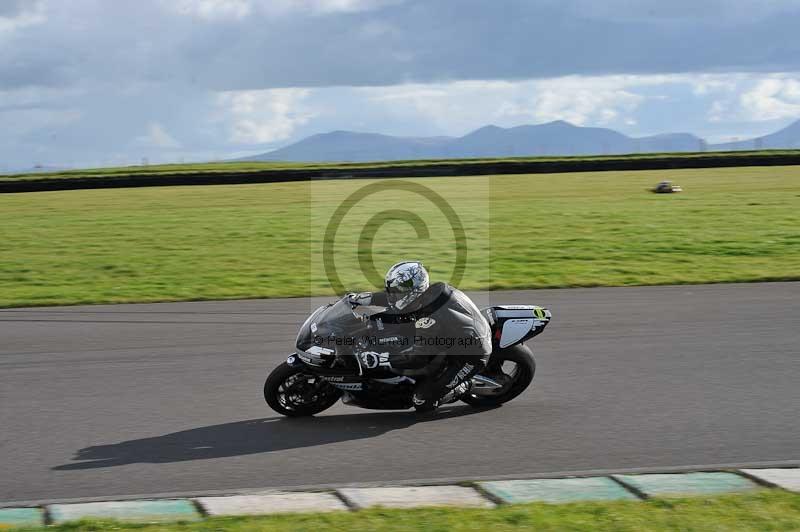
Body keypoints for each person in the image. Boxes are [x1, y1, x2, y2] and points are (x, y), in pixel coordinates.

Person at [366, 261, 492, 411]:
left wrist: (381, 359)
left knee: (422, 401)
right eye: (391, 290)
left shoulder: (428, 319)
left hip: (471, 354)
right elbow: (394, 304)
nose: (392, 295)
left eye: (397, 291)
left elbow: (417, 358)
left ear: (414, 289)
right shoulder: (433, 291)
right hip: (456, 336)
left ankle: (466, 385)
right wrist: (362, 299)